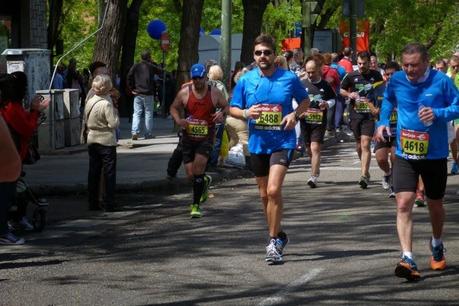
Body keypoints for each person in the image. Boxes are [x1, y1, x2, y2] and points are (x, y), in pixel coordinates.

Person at [375, 42, 459, 281]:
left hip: (434, 153)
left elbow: (458, 106)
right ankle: (408, 257)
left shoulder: (442, 81)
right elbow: (388, 100)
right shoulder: (398, 80)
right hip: (405, 152)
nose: (409, 70)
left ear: (426, 62)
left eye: (414, 65)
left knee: (435, 204)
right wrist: (382, 121)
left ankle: (437, 242)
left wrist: (438, 114)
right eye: (405, 65)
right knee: (403, 203)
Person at [229, 34, 310, 264]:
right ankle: (280, 234)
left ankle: (273, 242)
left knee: (274, 190)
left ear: (274, 55)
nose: (262, 56)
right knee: (264, 195)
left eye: (267, 52)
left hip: (282, 141)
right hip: (258, 144)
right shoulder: (246, 80)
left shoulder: (288, 78)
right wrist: (246, 113)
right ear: (254, 56)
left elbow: (305, 101)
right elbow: (233, 108)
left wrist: (295, 114)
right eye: (258, 53)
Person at [169, 63, 227, 218]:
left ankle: (195, 206)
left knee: (198, 168)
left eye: (200, 78)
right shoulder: (184, 93)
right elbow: (173, 107)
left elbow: (227, 106)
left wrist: (221, 114)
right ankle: (205, 181)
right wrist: (178, 120)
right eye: (194, 78)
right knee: (190, 175)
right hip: (188, 137)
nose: (197, 81)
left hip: (206, 137)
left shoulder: (214, 93)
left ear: (205, 77)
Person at [0, 71, 50, 231]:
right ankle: (13, 219)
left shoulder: (11, 106)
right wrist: (35, 111)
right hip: (11, 156)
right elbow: (27, 128)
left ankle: (14, 218)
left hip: (12, 155)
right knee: (15, 190)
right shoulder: (12, 108)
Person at [341, 51, 384, 188]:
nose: (361, 66)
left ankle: (364, 175)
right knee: (359, 145)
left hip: (369, 115)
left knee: (365, 144)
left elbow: (382, 92)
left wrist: (378, 107)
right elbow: (341, 90)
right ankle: (365, 169)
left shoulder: (376, 75)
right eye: (359, 63)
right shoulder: (351, 75)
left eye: (364, 63)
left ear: (369, 62)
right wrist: (349, 93)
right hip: (355, 114)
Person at [84, 74, 120, 212]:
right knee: (109, 173)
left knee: (94, 172)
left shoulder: (90, 101)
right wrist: (116, 113)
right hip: (106, 140)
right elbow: (113, 124)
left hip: (92, 139)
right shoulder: (106, 104)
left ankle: (92, 202)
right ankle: (109, 202)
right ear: (106, 88)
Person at [301, 56, 336, 187]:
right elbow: (294, 100)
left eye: (312, 72)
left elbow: (333, 99)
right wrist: (299, 112)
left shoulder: (325, 85)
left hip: (319, 121)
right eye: (308, 72)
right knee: (309, 149)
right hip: (305, 120)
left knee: (315, 148)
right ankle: (315, 168)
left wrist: (327, 104)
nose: (310, 74)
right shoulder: (302, 84)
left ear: (318, 71)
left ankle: (313, 176)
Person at [373, 61, 400, 198]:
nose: (389, 77)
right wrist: (375, 111)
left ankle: (394, 187)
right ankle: (388, 174)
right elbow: (370, 104)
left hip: (398, 130)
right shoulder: (378, 88)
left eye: (392, 74)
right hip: (382, 130)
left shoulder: (404, 88)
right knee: (381, 159)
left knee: (395, 157)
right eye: (387, 74)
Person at [0, 115, 23, 244]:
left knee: (4, 202)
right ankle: (2, 231)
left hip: (7, 171)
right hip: (5, 171)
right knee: (3, 203)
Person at [127, 50, 160, 140]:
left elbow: (129, 76)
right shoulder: (151, 66)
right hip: (148, 93)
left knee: (137, 113)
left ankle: (135, 132)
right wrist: (152, 62)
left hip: (137, 93)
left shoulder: (136, 66)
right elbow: (160, 71)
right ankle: (148, 133)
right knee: (148, 113)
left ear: (141, 57)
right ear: (149, 57)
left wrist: (131, 89)